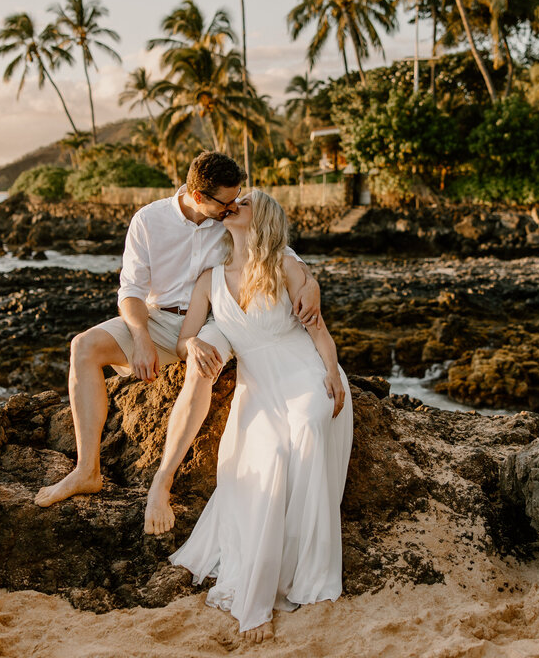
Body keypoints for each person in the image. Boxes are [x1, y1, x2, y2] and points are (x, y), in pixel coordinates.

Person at [34, 152, 321, 528]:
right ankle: (87, 470)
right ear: (198, 195)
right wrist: (140, 337)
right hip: (156, 318)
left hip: (216, 320)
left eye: (237, 198)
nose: (234, 206)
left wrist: (310, 282)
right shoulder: (149, 220)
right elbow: (131, 291)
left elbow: (279, 249)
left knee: (201, 367)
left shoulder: (228, 219)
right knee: (83, 346)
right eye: (227, 200)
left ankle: (162, 482)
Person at [168, 189, 353, 644]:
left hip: (305, 372)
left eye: (245, 202)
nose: (235, 205)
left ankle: (307, 572)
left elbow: (321, 334)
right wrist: (192, 345)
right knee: (268, 456)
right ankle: (259, 582)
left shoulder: (286, 268)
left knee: (309, 425)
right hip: (259, 385)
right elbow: (183, 339)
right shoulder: (209, 279)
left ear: (261, 217)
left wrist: (331, 373)